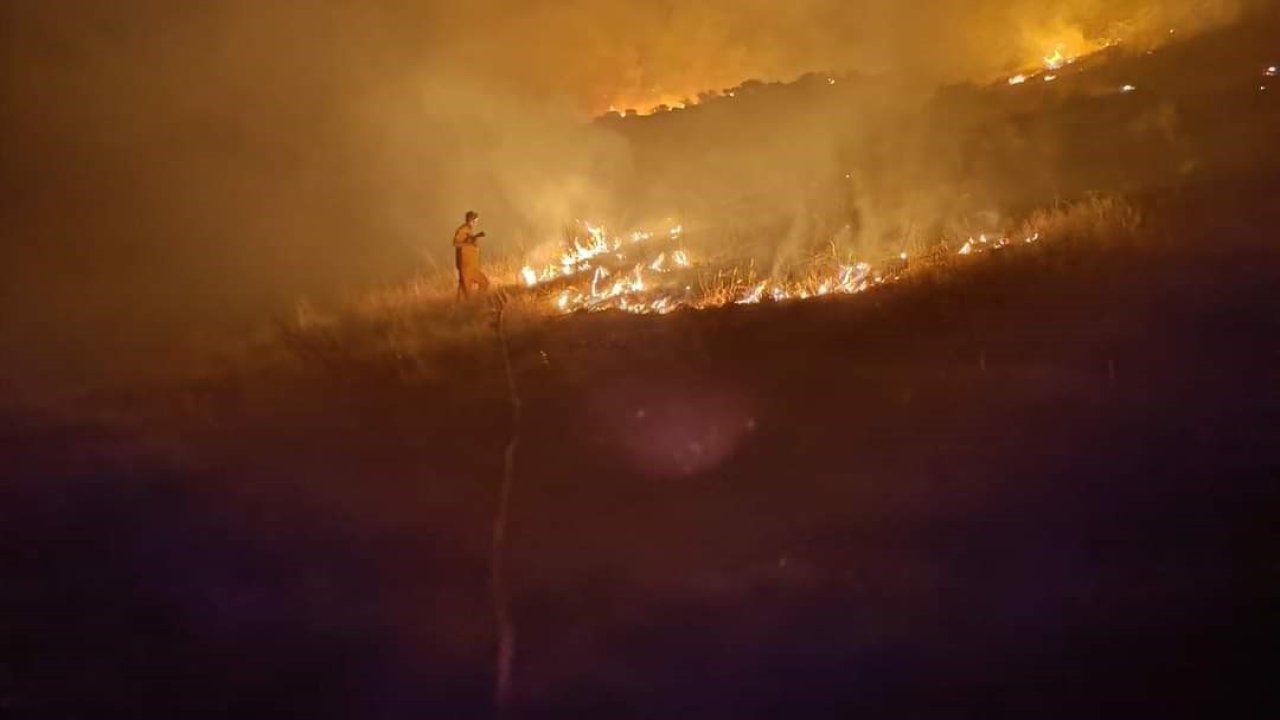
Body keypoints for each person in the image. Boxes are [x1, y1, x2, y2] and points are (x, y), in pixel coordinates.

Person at [453, 210, 489, 301]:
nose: (476, 223)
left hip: (472, 267)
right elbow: (456, 243)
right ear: (471, 220)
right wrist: (469, 243)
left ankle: (477, 302)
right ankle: (471, 308)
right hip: (466, 267)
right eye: (475, 221)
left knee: (484, 283)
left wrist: (473, 239)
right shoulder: (463, 229)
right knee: (467, 295)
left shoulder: (469, 230)